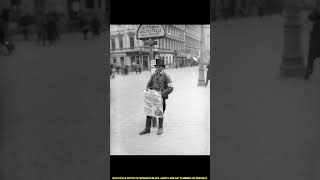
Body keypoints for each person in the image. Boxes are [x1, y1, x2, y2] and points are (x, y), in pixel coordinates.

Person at [139, 59, 174, 135]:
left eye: (159, 67)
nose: (157, 68)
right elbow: (149, 84)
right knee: (149, 112)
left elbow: (171, 88)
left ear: (163, 67)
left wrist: (162, 94)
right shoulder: (153, 75)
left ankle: (160, 128)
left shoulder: (166, 76)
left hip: (161, 98)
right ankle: (147, 128)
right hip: (152, 97)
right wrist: (148, 88)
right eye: (156, 67)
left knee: (160, 113)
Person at [305, 7, 320, 80]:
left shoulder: (312, 22)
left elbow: (310, 30)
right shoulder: (313, 22)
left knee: (311, 58)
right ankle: (308, 71)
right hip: (315, 42)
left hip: (314, 43)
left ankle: (308, 72)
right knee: (311, 58)